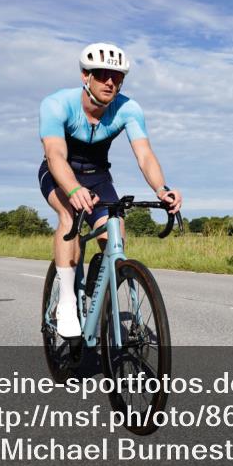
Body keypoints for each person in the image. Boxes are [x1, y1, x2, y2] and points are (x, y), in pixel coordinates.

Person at [38, 43, 181, 338]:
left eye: (117, 77)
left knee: (115, 232)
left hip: (99, 177)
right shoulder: (57, 104)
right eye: (103, 74)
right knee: (69, 216)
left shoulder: (128, 108)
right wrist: (74, 187)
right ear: (85, 76)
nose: (110, 82)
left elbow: (144, 154)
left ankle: (96, 289)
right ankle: (66, 300)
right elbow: (54, 155)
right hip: (60, 172)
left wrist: (161, 188)